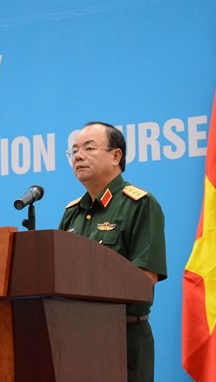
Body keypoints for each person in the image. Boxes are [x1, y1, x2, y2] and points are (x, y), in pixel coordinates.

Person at [59, 121, 168, 382]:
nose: (78, 156)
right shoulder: (71, 213)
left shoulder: (139, 204)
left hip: (124, 337)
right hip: (77, 340)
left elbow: (144, 279)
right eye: (73, 151)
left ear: (116, 155)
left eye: (88, 148)